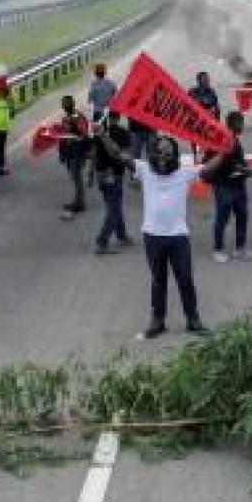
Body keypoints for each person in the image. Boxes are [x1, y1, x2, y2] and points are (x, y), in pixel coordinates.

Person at [96, 132, 232, 338]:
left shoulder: (185, 173)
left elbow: (207, 170)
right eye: (159, 153)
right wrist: (103, 136)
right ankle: (158, 321)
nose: (163, 157)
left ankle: (193, 320)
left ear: (175, 155)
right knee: (158, 280)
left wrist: (224, 152)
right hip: (152, 236)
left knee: (185, 279)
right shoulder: (143, 170)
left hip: (178, 237)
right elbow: (117, 155)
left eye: (168, 153)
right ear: (152, 154)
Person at [208, 111, 252, 263]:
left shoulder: (235, 139)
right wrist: (242, 169)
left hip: (238, 184)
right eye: (241, 123)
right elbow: (211, 162)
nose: (243, 126)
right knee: (222, 218)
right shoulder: (221, 139)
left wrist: (245, 167)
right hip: (224, 186)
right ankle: (218, 249)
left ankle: (240, 249)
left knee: (242, 216)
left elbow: (237, 159)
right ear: (233, 124)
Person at [92, 110, 133, 254]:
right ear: (119, 117)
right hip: (114, 175)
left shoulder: (99, 132)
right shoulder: (123, 133)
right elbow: (124, 154)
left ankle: (121, 235)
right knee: (114, 210)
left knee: (114, 207)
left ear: (109, 118)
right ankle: (102, 241)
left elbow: (94, 154)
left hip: (101, 174)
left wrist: (92, 175)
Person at [57, 95, 91, 216]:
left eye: (66, 104)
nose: (64, 106)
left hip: (77, 152)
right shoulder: (66, 118)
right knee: (74, 177)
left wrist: (73, 127)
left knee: (77, 178)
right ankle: (78, 201)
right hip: (69, 152)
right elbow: (62, 136)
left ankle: (79, 203)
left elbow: (83, 133)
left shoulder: (78, 117)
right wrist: (61, 152)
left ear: (72, 104)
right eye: (63, 104)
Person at [188, 71, 221, 160]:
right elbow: (189, 105)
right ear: (199, 81)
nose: (207, 81)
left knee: (210, 139)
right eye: (205, 79)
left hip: (208, 120)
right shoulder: (192, 91)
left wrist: (218, 121)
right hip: (196, 120)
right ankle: (195, 155)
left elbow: (216, 106)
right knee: (194, 137)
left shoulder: (211, 91)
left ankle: (208, 155)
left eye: (208, 79)